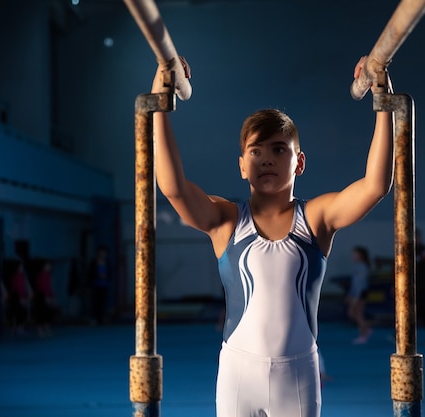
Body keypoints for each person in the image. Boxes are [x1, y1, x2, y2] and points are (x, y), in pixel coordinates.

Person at [151, 55, 393, 417]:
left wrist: (384, 105)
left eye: (279, 149)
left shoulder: (316, 217)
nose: (266, 159)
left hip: (297, 375)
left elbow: (375, 186)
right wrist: (159, 108)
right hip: (237, 374)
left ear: (299, 162)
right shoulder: (226, 220)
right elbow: (173, 188)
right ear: (242, 165)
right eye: (256, 151)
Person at [346, 246, 373, 344]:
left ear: (361, 256)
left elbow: (360, 284)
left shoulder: (362, 267)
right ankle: (365, 330)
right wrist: (350, 294)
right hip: (357, 293)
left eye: (355, 254)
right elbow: (355, 283)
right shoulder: (358, 266)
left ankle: (363, 335)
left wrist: (356, 297)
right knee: (355, 314)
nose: (353, 256)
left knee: (358, 314)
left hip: (361, 293)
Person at [32, 260, 57, 337]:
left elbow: (49, 287)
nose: (49, 267)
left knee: (47, 313)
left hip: (46, 296)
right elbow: (44, 287)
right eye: (48, 265)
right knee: (41, 313)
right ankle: (40, 330)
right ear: (44, 266)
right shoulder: (42, 275)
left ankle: (46, 327)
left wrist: (52, 296)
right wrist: (47, 296)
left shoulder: (48, 275)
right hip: (41, 297)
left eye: (50, 265)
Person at [89, 245, 112, 325]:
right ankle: (95, 318)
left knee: (103, 302)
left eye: (104, 253)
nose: (102, 254)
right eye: (101, 253)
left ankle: (101, 318)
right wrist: (98, 276)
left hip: (104, 285)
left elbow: (110, 273)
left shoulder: (107, 262)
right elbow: (90, 273)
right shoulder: (94, 262)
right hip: (96, 285)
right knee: (95, 302)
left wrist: (106, 277)